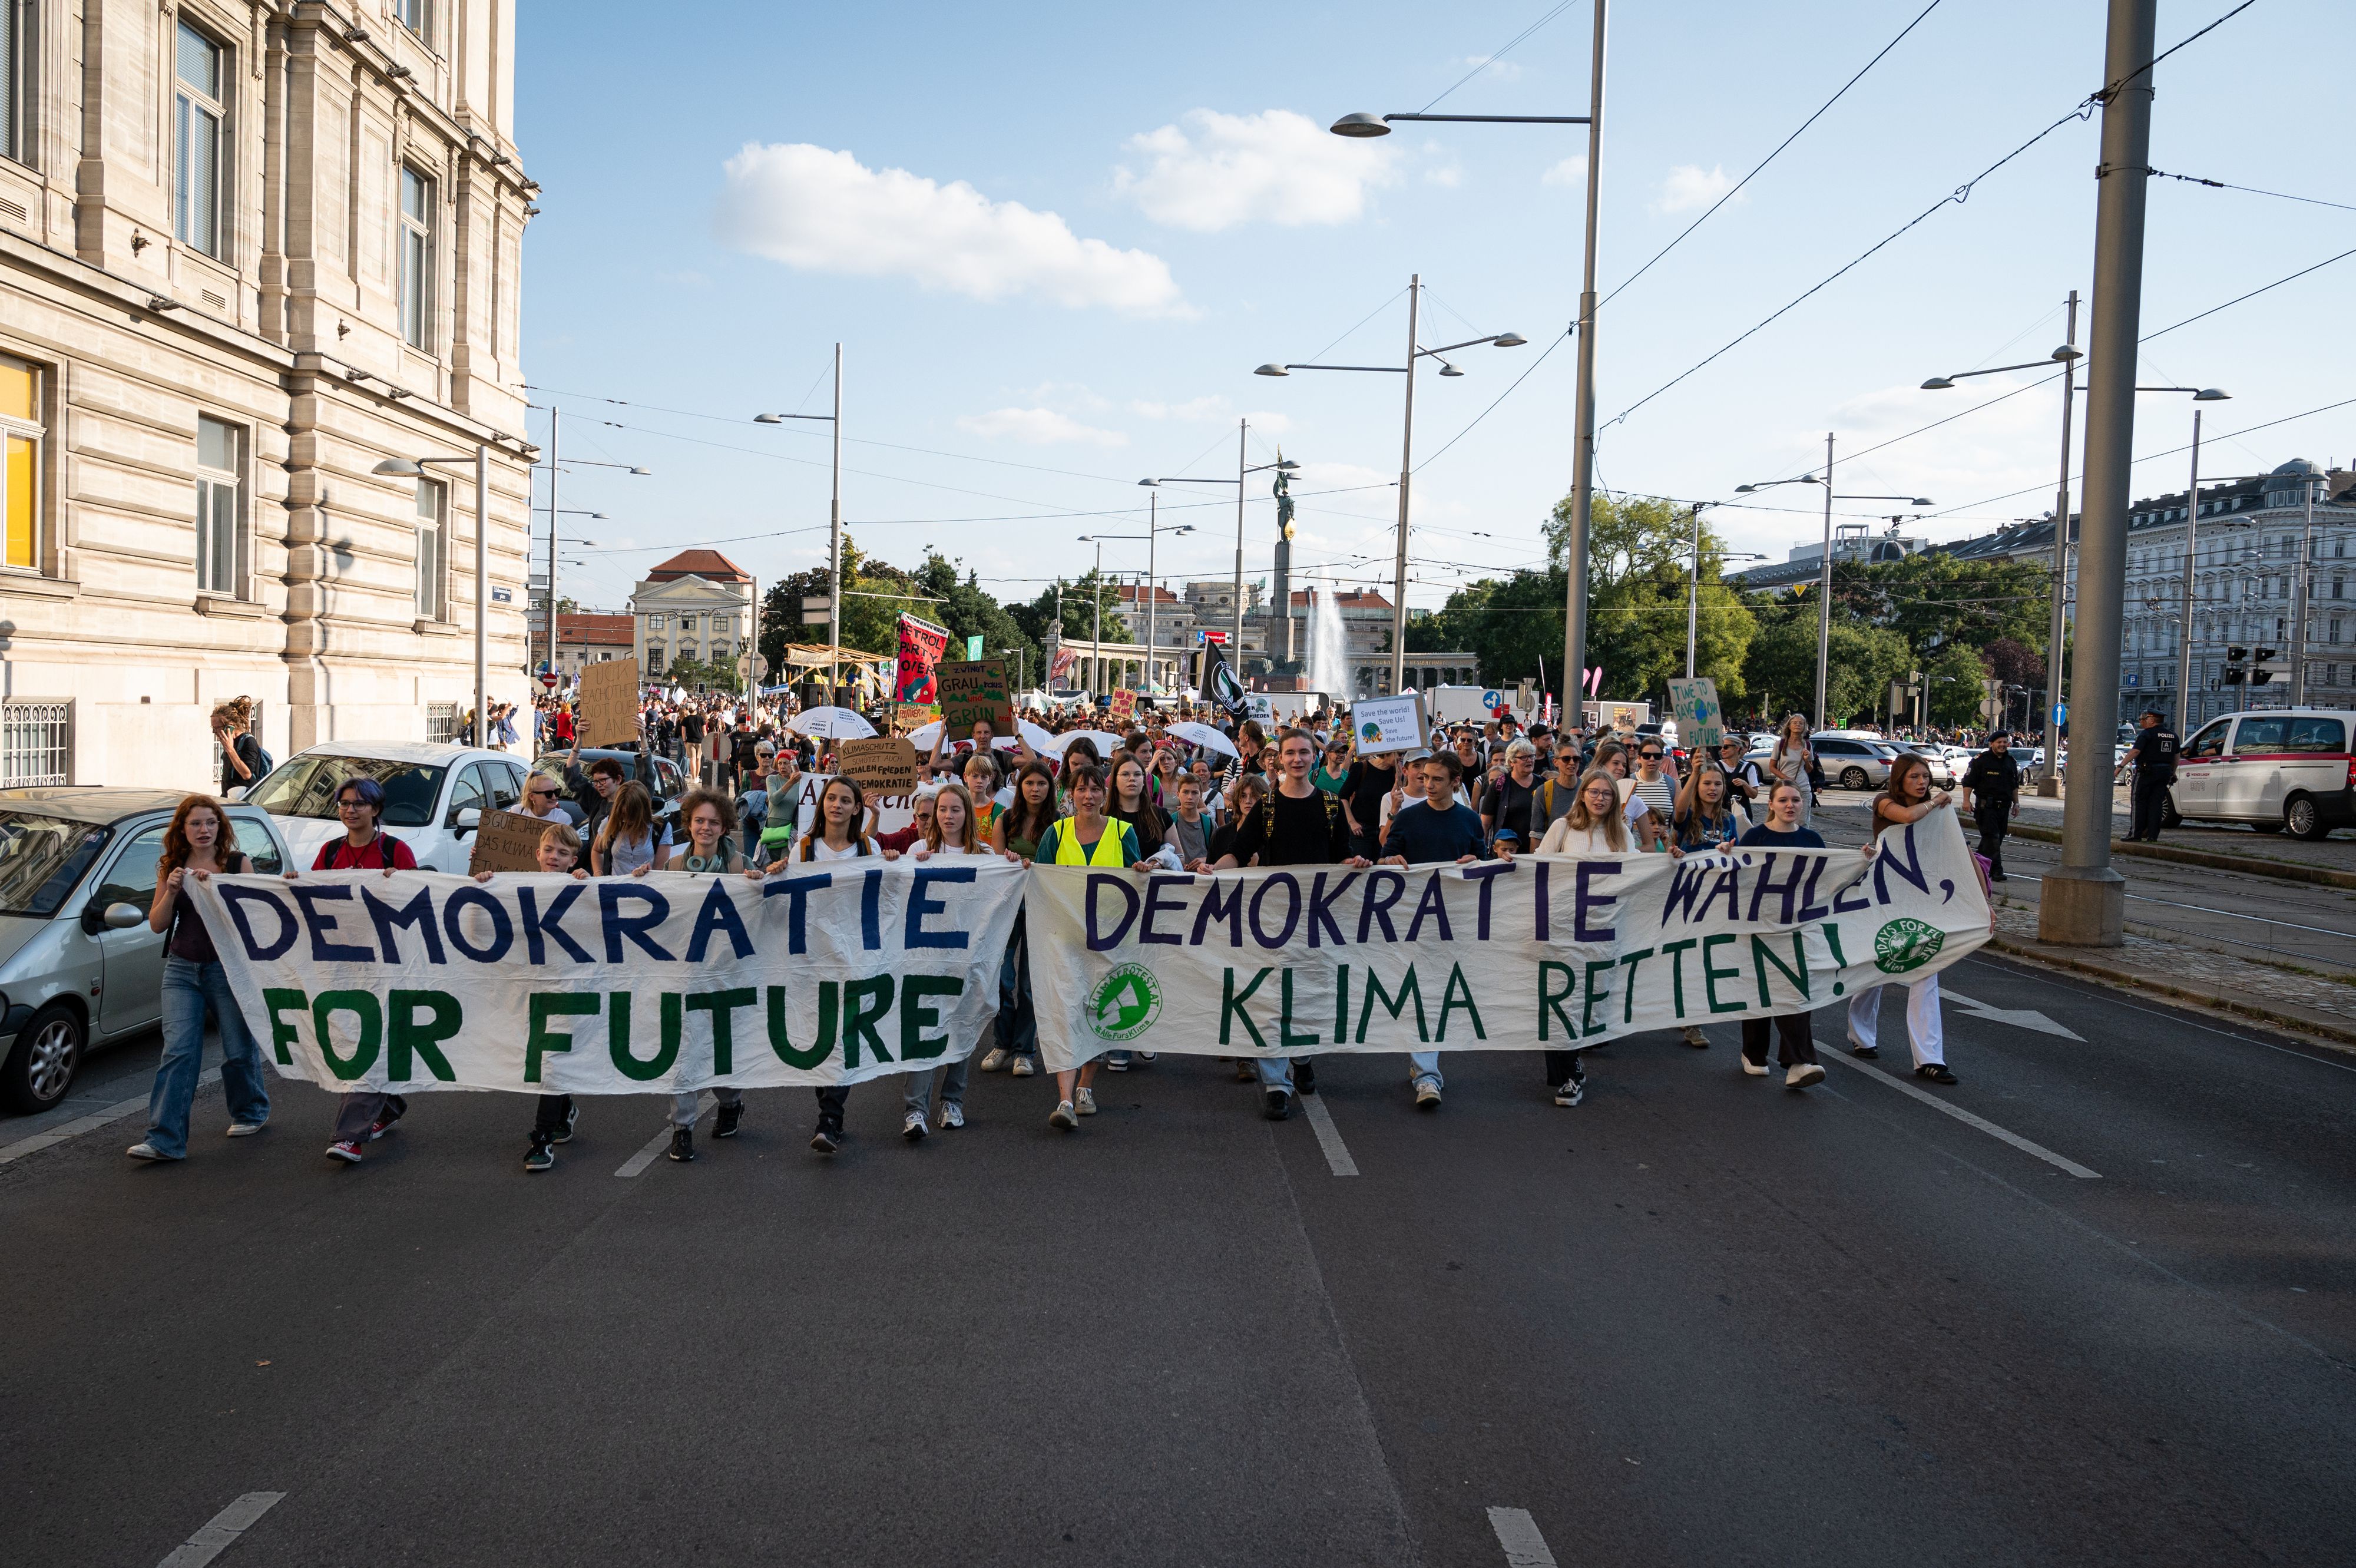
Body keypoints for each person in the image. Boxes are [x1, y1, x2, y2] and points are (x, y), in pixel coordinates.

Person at [1213, 730, 1368, 1119]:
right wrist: (1208, 872)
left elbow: (1341, 859)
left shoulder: (1331, 806)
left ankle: (1302, 1057)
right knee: (1272, 1001)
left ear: (1314, 757)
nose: (1297, 759)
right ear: (1279, 759)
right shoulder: (1266, 807)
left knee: (1308, 997)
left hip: (1316, 920)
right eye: (1290, 753)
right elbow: (1237, 853)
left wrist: (1355, 864)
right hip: (1272, 921)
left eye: (1304, 753)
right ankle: (1277, 1083)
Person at [127, 796, 270, 1161]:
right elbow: (158, 923)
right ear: (183, 830)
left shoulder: (237, 864)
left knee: (237, 1050)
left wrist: (217, 891)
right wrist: (174, 889)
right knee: (178, 1052)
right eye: (195, 824)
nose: (203, 830)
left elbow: (251, 920)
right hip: (181, 969)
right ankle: (165, 1140)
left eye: (210, 823)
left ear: (220, 828)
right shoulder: (172, 867)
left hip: (228, 969)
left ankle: (250, 1109)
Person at [298, 777, 419, 1164]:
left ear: (376, 810)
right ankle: (388, 1104)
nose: (351, 810)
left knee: (368, 1045)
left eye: (360, 804)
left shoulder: (395, 852)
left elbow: (419, 908)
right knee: (353, 1042)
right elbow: (312, 898)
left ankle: (349, 1135)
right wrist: (291, 888)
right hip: (343, 965)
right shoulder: (331, 852)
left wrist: (398, 887)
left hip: (387, 966)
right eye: (345, 803)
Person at [1378, 750, 1498, 1109]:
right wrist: (1389, 860)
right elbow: (1386, 854)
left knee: (1439, 998)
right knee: (1421, 996)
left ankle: (1424, 1064)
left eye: (1437, 779)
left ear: (1456, 782)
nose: (1427, 784)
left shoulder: (1469, 820)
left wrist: (1477, 861)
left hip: (1455, 922)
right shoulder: (1408, 817)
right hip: (1412, 921)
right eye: (1424, 777)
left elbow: (1482, 858)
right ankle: (1428, 1074)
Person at [471, 822, 593, 1171]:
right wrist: (483, 888)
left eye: (564, 853)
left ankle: (541, 1140)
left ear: (574, 860)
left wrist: (589, 887)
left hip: (566, 984)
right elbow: (479, 928)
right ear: (537, 854)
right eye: (549, 851)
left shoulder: (578, 886)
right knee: (541, 1056)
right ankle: (564, 1106)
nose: (555, 857)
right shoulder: (515, 886)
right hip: (525, 985)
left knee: (549, 1058)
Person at [1033, 765, 1151, 1127]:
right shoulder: (1055, 833)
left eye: (1095, 790)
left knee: (1099, 1014)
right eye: (1081, 790)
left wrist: (1145, 870)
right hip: (1064, 940)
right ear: (1070, 794)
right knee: (1066, 1013)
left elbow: (1137, 877)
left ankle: (1086, 1086)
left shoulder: (1123, 832)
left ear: (1105, 794)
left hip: (1111, 943)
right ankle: (1065, 1100)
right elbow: (1039, 879)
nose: (1088, 797)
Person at [785, 776, 886, 1152]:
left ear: (857, 808)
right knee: (822, 1036)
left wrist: (891, 863)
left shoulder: (868, 847)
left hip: (854, 955)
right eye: (832, 798)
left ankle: (830, 1117)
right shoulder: (804, 848)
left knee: (845, 1034)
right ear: (822, 804)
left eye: (846, 800)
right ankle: (829, 1111)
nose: (837, 805)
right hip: (815, 957)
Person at [1533, 769, 1643, 1108]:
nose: (1599, 798)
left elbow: (1639, 873)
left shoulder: (1621, 833)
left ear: (1614, 800)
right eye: (1594, 792)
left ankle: (1575, 1060)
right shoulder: (1563, 828)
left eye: (1607, 794)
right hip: (1562, 927)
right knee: (1558, 1000)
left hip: (1603, 930)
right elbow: (1536, 868)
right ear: (1583, 795)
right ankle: (1568, 1075)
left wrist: (1673, 862)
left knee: (1589, 999)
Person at [1845, 755, 1959, 1083]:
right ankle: (1861, 1034)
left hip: (1923, 900)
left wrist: (1984, 904)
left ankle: (1929, 1058)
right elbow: (1907, 817)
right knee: (1875, 967)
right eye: (1914, 777)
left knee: (1926, 971)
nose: (1922, 782)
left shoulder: (1939, 813)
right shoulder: (1884, 801)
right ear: (1899, 779)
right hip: (1883, 897)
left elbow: (1960, 855)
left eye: (1925, 776)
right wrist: (1937, 800)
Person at [902, 782, 1006, 1137]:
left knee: (961, 1028)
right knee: (924, 1031)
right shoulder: (919, 850)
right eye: (942, 810)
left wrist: (1013, 866)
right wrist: (896, 864)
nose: (948, 816)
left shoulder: (986, 856)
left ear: (967, 813)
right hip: (927, 959)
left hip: (969, 959)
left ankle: (952, 1102)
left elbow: (1002, 894)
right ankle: (916, 1111)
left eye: (955, 809)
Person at [1733, 781, 1828, 1089]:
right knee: (1761, 988)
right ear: (1771, 804)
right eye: (1783, 800)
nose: (1790, 805)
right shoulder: (1756, 837)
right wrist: (1727, 854)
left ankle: (1798, 1062)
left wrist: (1862, 860)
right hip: (1759, 924)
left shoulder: (1812, 839)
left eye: (1796, 800)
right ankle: (1754, 1053)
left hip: (1797, 927)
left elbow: (1826, 879)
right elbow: (1738, 877)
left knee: (1795, 990)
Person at [980, 760, 1060, 1079]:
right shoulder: (1006, 819)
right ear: (1020, 787)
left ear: (1049, 788)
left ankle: (1025, 1049)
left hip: (1043, 908)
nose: (1035, 789)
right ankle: (1002, 1043)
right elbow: (998, 866)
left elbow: (1059, 865)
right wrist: (1009, 860)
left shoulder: (1058, 822)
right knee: (1002, 979)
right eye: (1029, 784)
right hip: (1008, 908)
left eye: (1042, 784)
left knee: (1029, 983)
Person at [1959, 730, 2021, 881]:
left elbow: (2014, 786)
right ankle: (1997, 871)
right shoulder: (1981, 760)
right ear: (1992, 744)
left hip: (2004, 807)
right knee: (1992, 838)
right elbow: (1968, 782)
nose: (2002, 745)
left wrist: (2016, 803)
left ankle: (1973, 866)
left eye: (2005, 742)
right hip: (1986, 807)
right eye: (1999, 742)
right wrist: (1966, 801)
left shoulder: (2010, 761)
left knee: (1994, 840)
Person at [592, 780, 670, 876]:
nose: (627, 819)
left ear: (643, 810)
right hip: (616, 887)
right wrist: (598, 874)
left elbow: (660, 870)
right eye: (623, 814)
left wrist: (646, 872)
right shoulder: (610, 823)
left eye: (632, 814)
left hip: (646, 887)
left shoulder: (661, 828)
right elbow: (596, 851)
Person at [2126, 707, 2179, 842]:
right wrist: (2172, 773)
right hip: (2164, 773)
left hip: (2146, 772)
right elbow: (2176, 757)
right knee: (2156, 805)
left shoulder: (2147, 734)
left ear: (2151, 720)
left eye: (2142, 720)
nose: (2141, 722)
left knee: (2138, 802)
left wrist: (2121, 766)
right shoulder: (2173, 736)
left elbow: (2135, 752)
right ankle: (2152, 836)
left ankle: (2135, 834)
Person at [1339, 745, 1396, 862]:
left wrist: (1401, 777)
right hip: (1361, 831)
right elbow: (1343, 796)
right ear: (1386, 754)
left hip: (1384, 831)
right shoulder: (1362, 768)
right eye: (1398, 754)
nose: (1401, 757)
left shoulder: (1396, 773)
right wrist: (1352, 822)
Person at [1768, 714, 1816, 829]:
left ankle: (1801, 846)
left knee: (1803, 823)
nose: (1798, 725)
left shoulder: (1807, 745)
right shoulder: (1780, 744)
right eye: (1795, 722)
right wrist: (1786, 778)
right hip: (1783, 788)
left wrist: (1806, 760)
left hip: (1802, 787)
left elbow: (1809, 770)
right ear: (1789, 726)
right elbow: (1772, 767)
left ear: (1804, 727)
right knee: (1780, 820)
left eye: (1801, 723)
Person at [211, 698, 266, 793]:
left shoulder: (249, 742)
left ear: (230, 726)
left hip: (244, 798)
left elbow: (247, 774)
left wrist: (231, 750)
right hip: (229, 796)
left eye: (216, 728)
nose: (214, 732)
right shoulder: (230, 742)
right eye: (213, 728)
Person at [1166, 771, 1212, 869]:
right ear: (1178, 794)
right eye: (1185, 792)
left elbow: (1218, 855)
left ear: (1201, 796)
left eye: (1195, 793)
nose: (1190, 797)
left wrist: (1205, 859)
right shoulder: (1170, 822)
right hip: (1176, 877)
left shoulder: (1210, 824)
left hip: (1204, 878)